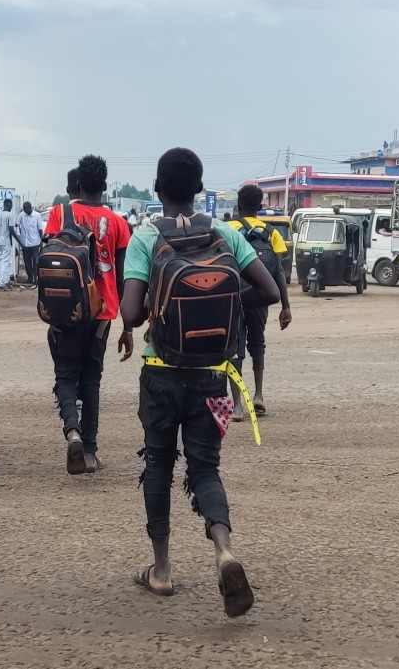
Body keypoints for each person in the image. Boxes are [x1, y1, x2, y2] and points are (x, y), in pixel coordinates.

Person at [120, 147, 282, 618]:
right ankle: (224, 551)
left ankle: (162, 570)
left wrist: (164, 306)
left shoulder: (146, 237)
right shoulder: (227, 233)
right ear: (199, 187)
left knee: (158, 465)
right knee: (205, 469)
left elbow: (130, 313)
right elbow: (268, 291)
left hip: (161, 374)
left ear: (157, 189)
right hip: (214, 377)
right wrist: (227, 301)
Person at [42, 154, 133, 475]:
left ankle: (73, 431)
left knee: (66, 374)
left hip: (64, 310)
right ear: (105, 186)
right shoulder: (120, 223)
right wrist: (129, 326)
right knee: (91, 379)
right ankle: (91, 452)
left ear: (77, 184)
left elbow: (47, 259)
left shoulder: (59, 214)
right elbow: (123, 278)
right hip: (101, 313)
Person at [226, 184, 292, 420]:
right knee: (258, 344)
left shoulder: (226, 230)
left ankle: (237, 406)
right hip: (259, 297)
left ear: (238, 205)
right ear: (260, 206)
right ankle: (259, 396)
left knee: (234, 349)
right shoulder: (271, 232)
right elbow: (279, 273)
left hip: (232, 299)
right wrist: (285, 306)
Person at [0, 198, 20, 290]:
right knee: (6, 262)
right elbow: (11, 230)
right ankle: (1, 283)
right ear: (9, 205)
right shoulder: (10, 215)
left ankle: (7, 282)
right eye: (11, 205)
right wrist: (20, 242)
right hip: (5, 241)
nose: (12, 207)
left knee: (7, 262)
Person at [17, 201, 45, 284]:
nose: (25, 211)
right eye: (24, 209)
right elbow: (16, 224)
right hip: (25, 243)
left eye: (26, 209)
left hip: (35, 243)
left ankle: (36, 279)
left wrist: (41, 242)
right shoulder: (22, 215)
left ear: (30, 207)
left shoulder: (37, 215)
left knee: (36, 262)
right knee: (27, 262)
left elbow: (40, 229)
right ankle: (30, 278)